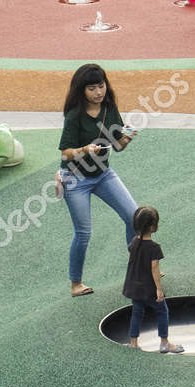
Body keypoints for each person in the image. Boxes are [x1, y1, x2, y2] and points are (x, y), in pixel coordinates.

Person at [57, 63, 141, 297]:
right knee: (83, 233)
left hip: (103, 174)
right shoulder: (74, 115)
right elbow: (65, 152)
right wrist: (85, 149)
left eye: (101, 86)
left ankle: (139, 268)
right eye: (92, 88)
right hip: (75, 179)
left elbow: (118, 145)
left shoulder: (109, 108)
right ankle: (76, 284)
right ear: (81, 90)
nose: (98, 92)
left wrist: (128, 137)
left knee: (134, 217)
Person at [122, 206, 183, 354]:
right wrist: (159, 289)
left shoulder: (134, 243)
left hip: (134, 286)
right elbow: (154, 268)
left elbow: (137, 259)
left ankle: (133, 342)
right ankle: (164, 343)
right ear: (153, 226)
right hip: (148, 288)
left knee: (137, 312)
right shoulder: (154, 247)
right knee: (162, 311)